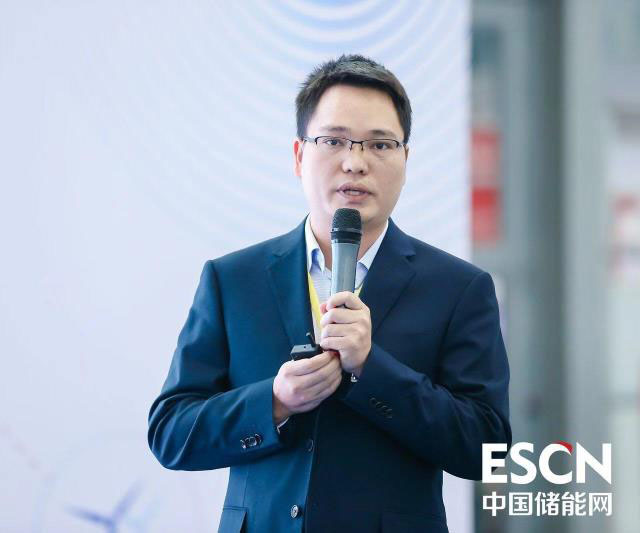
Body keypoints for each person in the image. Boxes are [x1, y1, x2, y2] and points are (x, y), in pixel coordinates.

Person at [147, 54, 511, 533]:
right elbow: (171, 433)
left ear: (405, 160)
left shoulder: (459, 288)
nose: (355, 162)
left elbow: (488, 450)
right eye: (334, 140)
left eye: (380, 144)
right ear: (299, 156)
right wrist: (274, 401)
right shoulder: (233, 279)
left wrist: (371, 368)